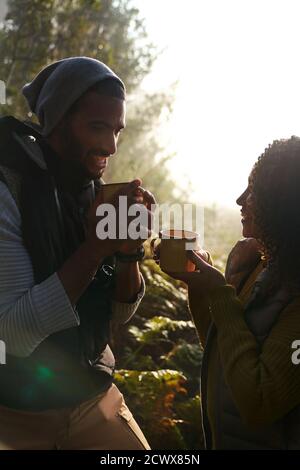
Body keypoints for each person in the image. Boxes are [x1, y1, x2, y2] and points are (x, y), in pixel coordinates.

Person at [0, 57, 155, 450]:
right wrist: (95, 249)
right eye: (97, 127)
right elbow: (13, 334)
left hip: (92, 399)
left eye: (117, 130)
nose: (111, 146)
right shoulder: (8, 191)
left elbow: (115, 316)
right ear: (56, 121)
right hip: (15, 413)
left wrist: (129, 251)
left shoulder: (93, 189)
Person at [164, 137, 300, 449]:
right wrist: (201, 286)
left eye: (254, 191)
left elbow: (258, 401)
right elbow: (224, 355)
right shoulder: (262, 266)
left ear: (283, 203)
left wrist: (220, 293)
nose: (240, 200)